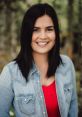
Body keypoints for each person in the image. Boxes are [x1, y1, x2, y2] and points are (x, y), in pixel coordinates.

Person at [0, 3, 78, 117]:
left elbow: (73, 108)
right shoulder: (10, 73)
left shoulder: (67, 65)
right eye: (35, 30)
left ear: (56, 32)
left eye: (49, 29)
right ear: (26, 33)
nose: (43, 36)